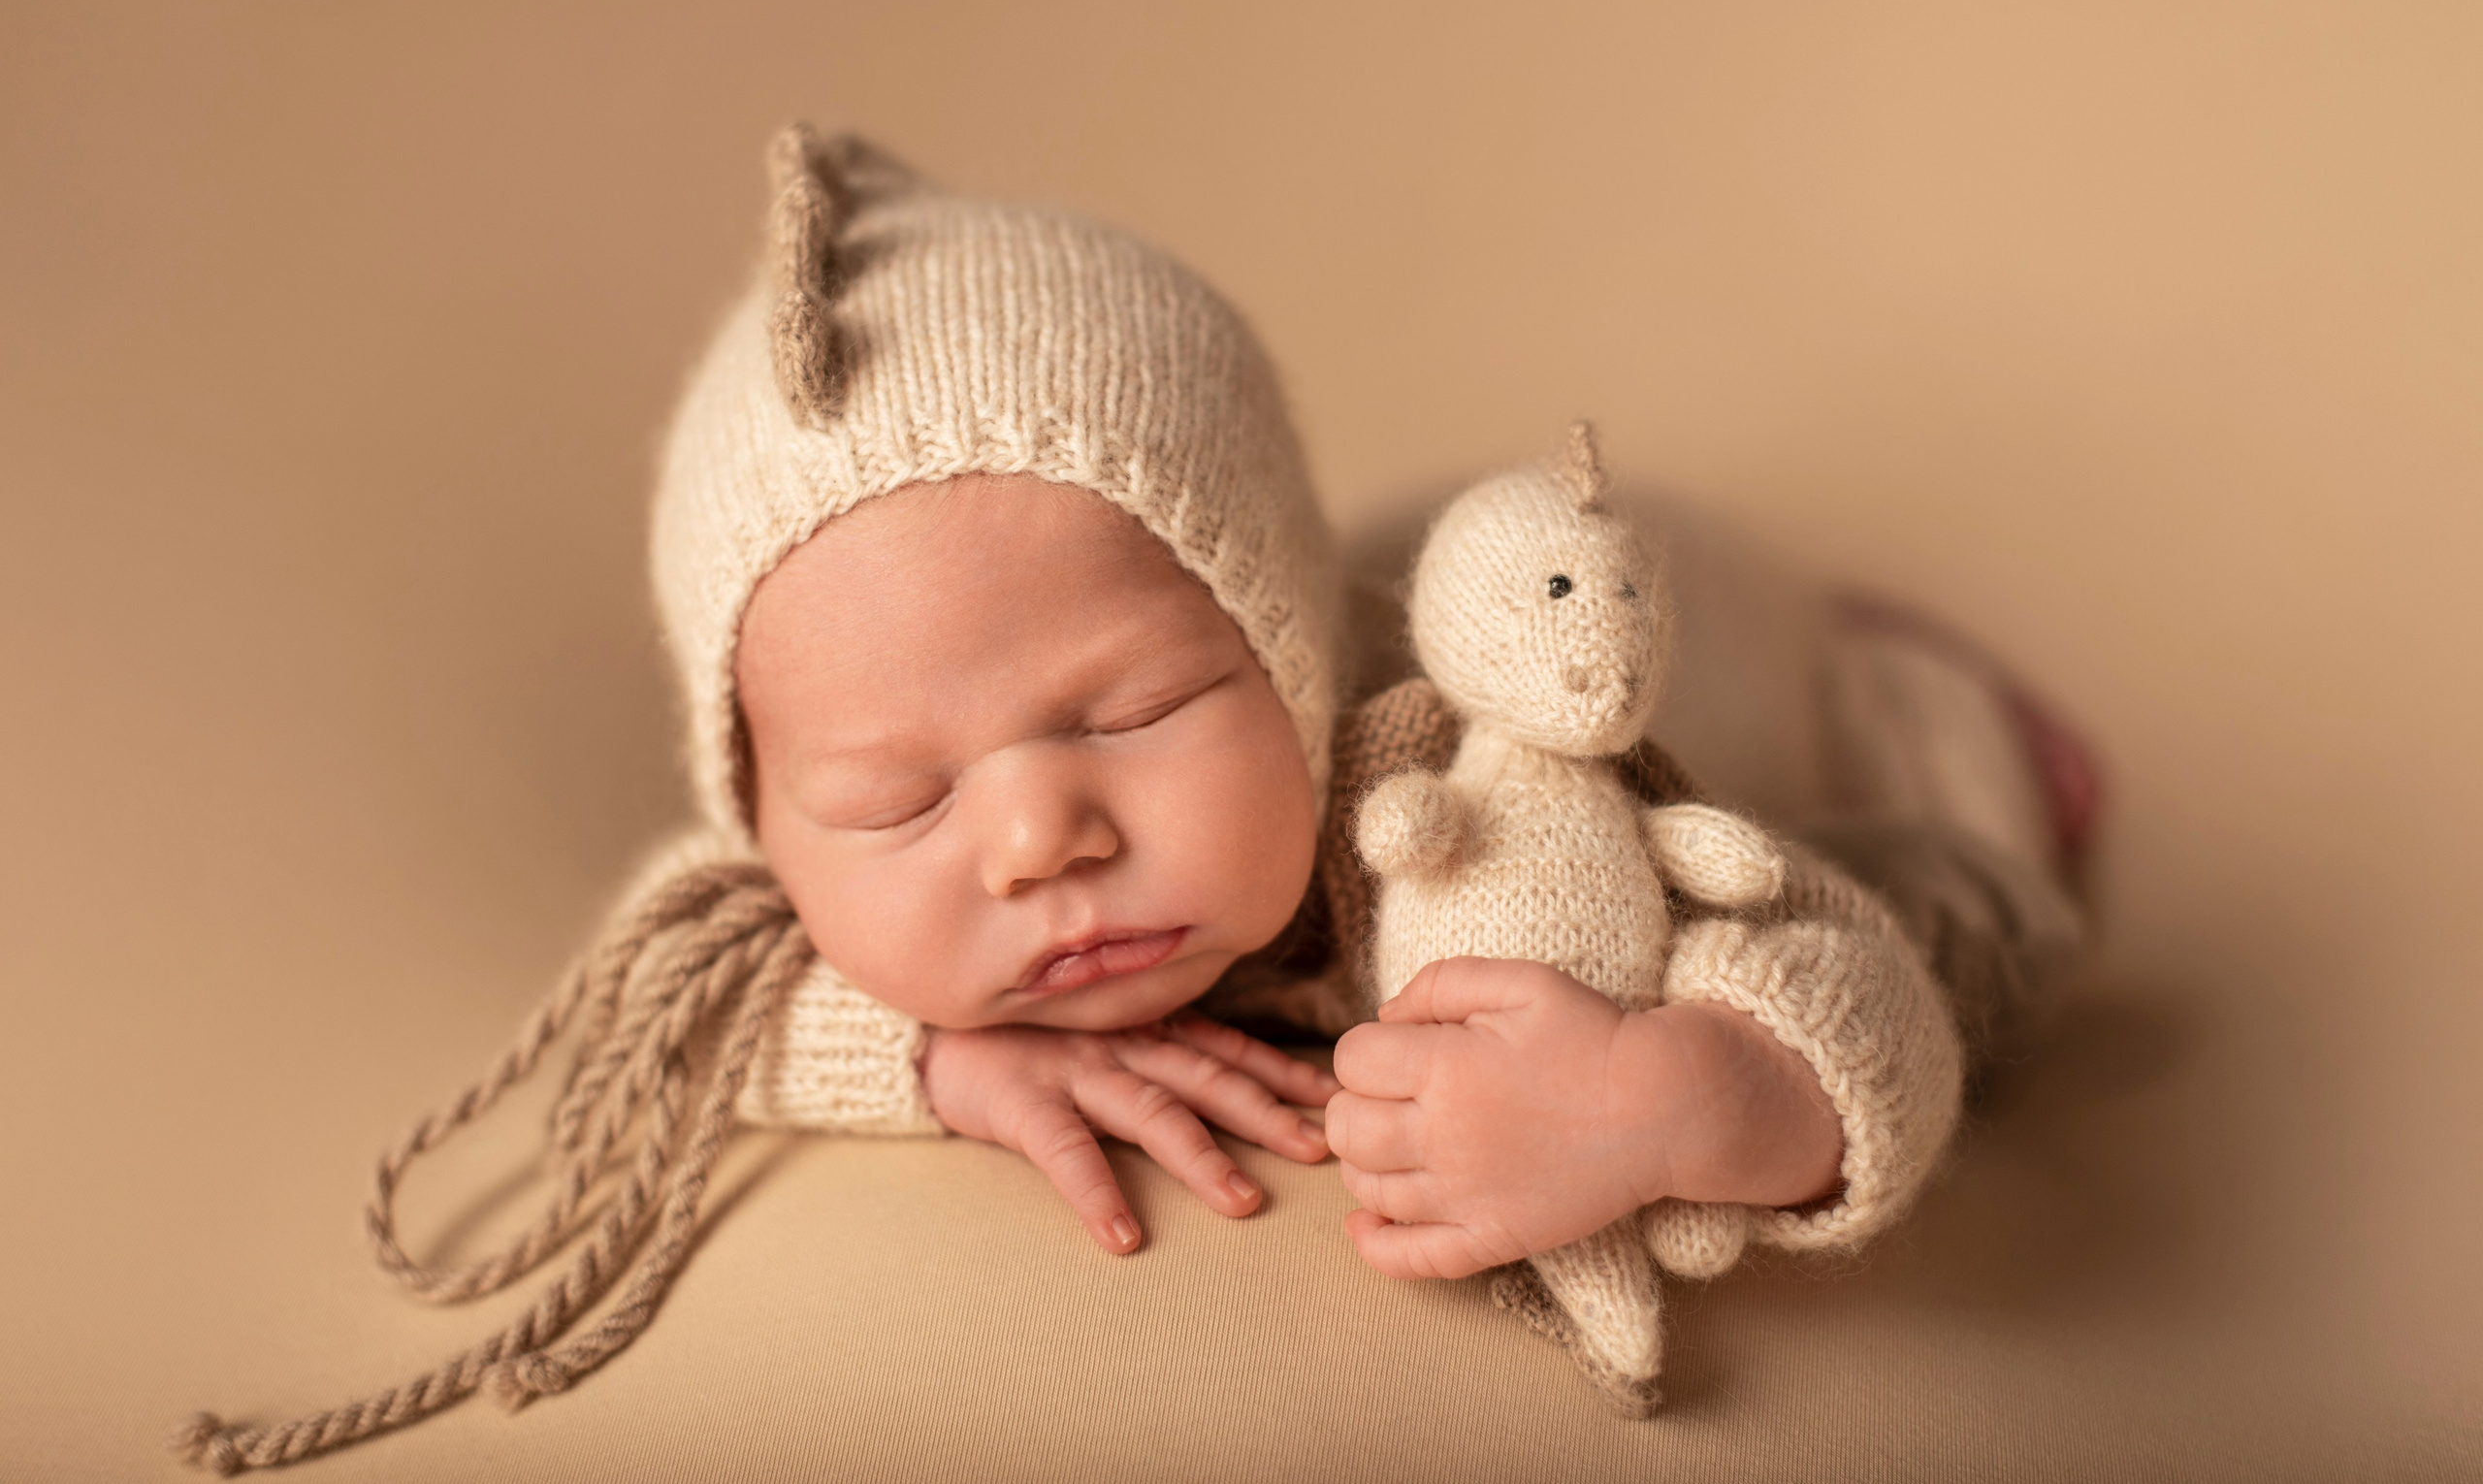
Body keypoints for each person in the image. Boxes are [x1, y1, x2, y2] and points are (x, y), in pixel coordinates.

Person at [174, 128, 2092, 1472]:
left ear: (1287, 663)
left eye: (1140, 707)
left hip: (1688, 641)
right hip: (1346, 545)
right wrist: (940, 1061)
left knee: (1963, 903)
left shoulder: (1462, 794)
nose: (1033, 842)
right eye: (891, 798)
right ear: (767, 807)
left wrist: (1687, 1092)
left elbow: (1863, 986)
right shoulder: (807, 866)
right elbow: (671, 965)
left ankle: (1956, 723)